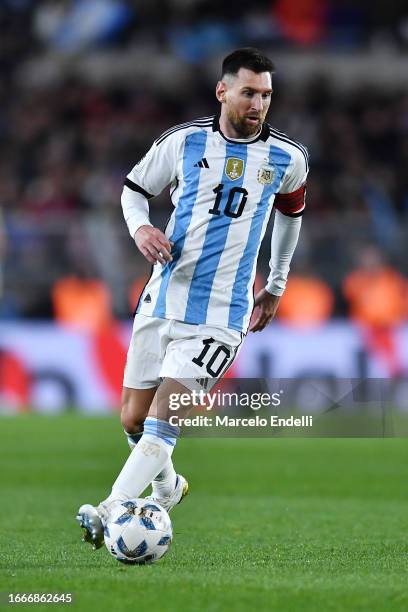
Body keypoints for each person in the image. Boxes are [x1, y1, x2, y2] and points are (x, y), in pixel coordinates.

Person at [76, 47, 309, 550]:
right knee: (133, 419)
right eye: (249, 92)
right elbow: (132, 191)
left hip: (221, 316)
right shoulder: (184, 143)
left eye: (266, 95)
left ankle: (111, 508)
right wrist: (141, 229)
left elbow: (292, 217)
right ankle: (168, 486)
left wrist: (276, 283)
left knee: (164, 418)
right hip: (161, 299)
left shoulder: (287, 159)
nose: (258, 104)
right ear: (223, 91)